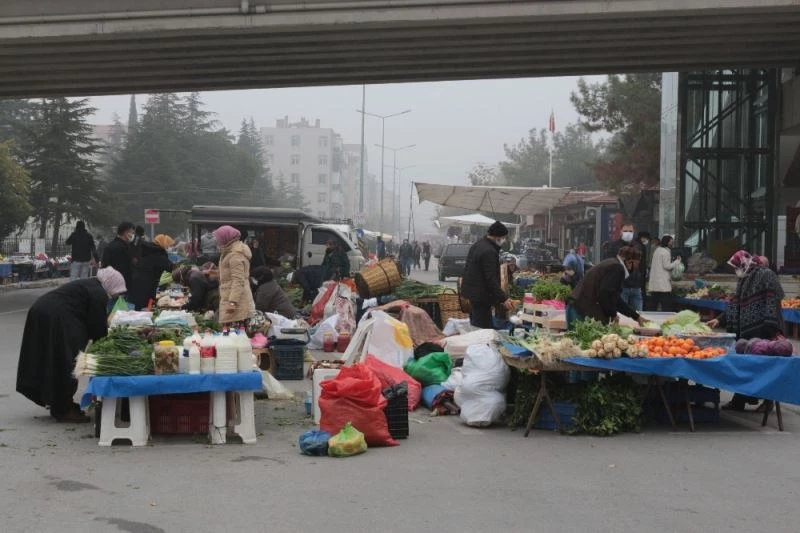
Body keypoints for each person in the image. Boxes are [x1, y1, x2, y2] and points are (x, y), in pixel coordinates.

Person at [16, 267, 127, 422]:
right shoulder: (98, 293)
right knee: (67, 361)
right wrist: (110, 347)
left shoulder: (90, 285)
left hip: (42, 312)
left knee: (50, 357)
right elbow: (97, 330)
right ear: (111, 284)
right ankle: (62, 409)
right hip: (57, 318)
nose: (115, 297)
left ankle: (60, 402)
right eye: (116, 293)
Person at [707, 251, 785, 411]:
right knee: (745, 366)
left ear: (744, 263)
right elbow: (736, 302)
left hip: (765, 328)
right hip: (747, 329)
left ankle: (768, 402)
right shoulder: (743, 279)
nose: (735, 270)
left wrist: (770, 325)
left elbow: (776, 296)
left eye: (736, 266)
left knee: (764, 366)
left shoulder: (766, 274)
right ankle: (740, 399)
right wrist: (720, 319)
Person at [568, 245, 648, 328]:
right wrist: (613, 314)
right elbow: (604, 294)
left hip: (577, 307)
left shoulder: (613, 264)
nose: (636, 268)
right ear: (629, 262)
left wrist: (636, 317)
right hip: (580, 311)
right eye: (637, 264)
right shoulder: (617, 268)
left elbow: (615, 299)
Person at [460, 221, 515, 329]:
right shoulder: (489, 251)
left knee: (476, 325)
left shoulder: (478, 245)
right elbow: (490, 278)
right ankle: (479, 345)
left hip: (473, 294)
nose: (504, 240)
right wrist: (503, 298)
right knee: (482, 329)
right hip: (481, 296)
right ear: (497, 237)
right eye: (503, 237)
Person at [214, 225, 255, 326]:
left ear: (226, 238)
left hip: (238, 303)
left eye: (218, 238)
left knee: (233, 336)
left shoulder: (235, 255)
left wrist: (233, 302)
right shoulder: (229, 251)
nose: (217, 241)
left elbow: (238, 280)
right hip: (232, 297)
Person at [604, 222, 645, 312]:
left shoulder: (638, 246)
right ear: (620, 232)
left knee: (639, 315)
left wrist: (640, 280)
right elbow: (609, 266)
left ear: (634, 232)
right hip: (621, 288)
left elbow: (642, 266)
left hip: (636, 287)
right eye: (625, 231)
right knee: (622, 316)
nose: (628, 233)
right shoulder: (613, 246)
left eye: (630, 231)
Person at [129, 234, 174, 310]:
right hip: (146, 285)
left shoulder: (150, 250)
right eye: (168, 245)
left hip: (140, 283)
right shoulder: (159, 254)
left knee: (140, 305)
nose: (169, 248)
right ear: (163, 244)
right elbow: (170, 267)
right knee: (144, 306)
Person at [647, 235, 682, 311]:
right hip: (663, 284)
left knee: (653, 305)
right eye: (671, 241)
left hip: (655, 284)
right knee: (666, 306)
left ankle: (651, 319)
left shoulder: (657, 250)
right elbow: (667, 266)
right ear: (667, 242)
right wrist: (677, 262)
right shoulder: (665, 252)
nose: (672, 243)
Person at [101, 221, 135, 289]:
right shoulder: (124, 247)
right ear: (126, 232)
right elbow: (126, 267)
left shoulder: (109, 246)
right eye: (132, 232)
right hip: (122, 284)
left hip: (110, 283)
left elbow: (104, 264)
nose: (132, 235)